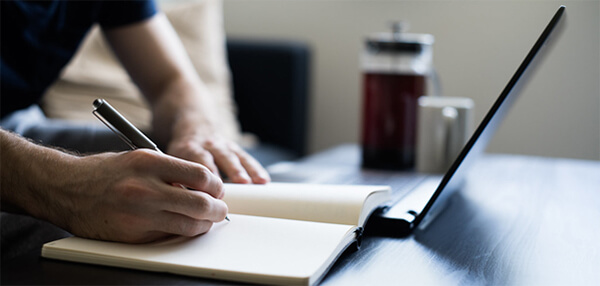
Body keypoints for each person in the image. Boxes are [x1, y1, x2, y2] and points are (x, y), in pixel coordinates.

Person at [0, 0, 270, 244]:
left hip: (18, 119)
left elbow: (171, 82)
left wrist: (193, 132)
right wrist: (68, 187)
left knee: (169, 164)